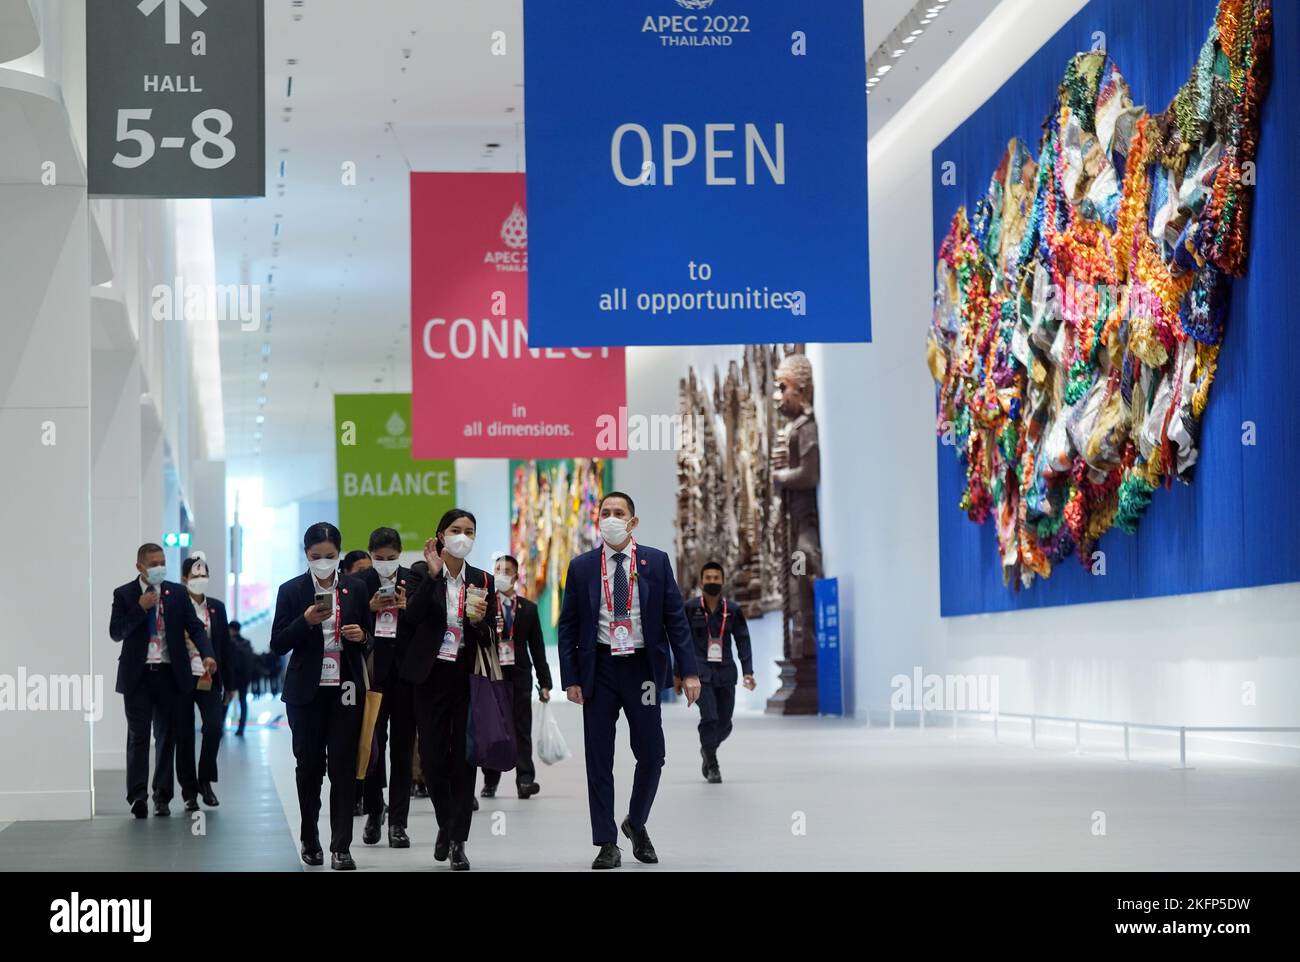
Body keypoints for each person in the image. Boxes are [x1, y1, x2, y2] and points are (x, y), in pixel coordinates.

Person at [558, 492, 700, 869]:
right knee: (599, 759)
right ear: (597, 518)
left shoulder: (656, 561)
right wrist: (571, 677)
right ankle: (606, 842)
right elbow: (569, 624)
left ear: (632, 522)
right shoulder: (582, 567)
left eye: (619, 513)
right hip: (599, 670)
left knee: (652, 753)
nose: (611, 519)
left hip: (642, 671)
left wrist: (689, 671)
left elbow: (676, 620)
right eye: (606, 513)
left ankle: (636, 823)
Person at [270, 522, 372, 870]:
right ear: (306, 555)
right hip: (306, 692)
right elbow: (278, 643)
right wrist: (306, 621)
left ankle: (341, 846)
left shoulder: (356, 589)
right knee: (309, 767)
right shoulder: (291, 590)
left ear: (339, 554)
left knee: (343, 768)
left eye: (330, 556)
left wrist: (361, 636)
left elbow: (372, 638)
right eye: (317, 556)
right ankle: (310, 836)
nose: (324, 562)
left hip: (345, 688)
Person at [401, 509, 496, 871]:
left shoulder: (482, 579)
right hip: (430, 677)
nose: (462, 536)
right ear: (440, 535)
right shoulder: (421, 572)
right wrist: (434, 576)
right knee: (433, 758)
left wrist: (479, 621)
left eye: (469, 531)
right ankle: (446, 822)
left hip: (466, 678)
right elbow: (411, 618)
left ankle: (458, 840)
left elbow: (489, 635)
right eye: (456, 530)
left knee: (464, 760)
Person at [109, 543, 216, 817]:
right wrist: (140, 608)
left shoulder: (177, 593)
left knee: (166, 737)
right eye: (153, 563)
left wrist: (207, 654)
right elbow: (116, 632)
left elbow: (195, 627)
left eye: (162, 562)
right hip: (138, 677)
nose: (159, 567)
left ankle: (162, 796)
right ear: (140, 567)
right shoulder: (125, 594)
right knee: (139, 736)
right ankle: (138, 796)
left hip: (170, 675)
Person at [357, 526, 418, 847]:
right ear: (369, 554)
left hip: (406, 677)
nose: (385, 563)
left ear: (400, 554)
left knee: (404, 750)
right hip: (372, 676)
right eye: (378, 558)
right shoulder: (360, 584)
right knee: (372, 749)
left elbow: (427, 625)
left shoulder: (413, 580)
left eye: (391, 558)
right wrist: (368, 610)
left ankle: (398, 822)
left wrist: (408, 609)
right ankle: (373, 811)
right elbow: (349, 622)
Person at [481, 554, 552, 800]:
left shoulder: (528, 609)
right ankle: (490, 780)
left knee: (522, 729)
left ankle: (525, 779)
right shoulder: (486, 606)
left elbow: (538, 647)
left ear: (515, 576)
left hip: (520, 676)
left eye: (506, 570)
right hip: (493, 675)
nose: (501, 574)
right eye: (497, 569)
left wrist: (545, 683)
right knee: (494, 730)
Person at [684, 561, 755, 783]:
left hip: (725, 672)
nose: (712, 581)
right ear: (701, 581)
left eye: (716, 578)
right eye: (708, 578)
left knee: (725, 722)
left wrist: (748, 671)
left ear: (722, 581)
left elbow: (743, 640)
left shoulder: (732, 610)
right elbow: (681, 642)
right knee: (710, 717)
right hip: (699, 674)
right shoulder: (690, 608)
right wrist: (679, 674)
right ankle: (713, 765)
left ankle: (707, 749)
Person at [176, 555, 231, 809]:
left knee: (213, 727)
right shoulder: (177, 605)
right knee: (184, 734)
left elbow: (225, 646)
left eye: (203, 575)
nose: (200, 580)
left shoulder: (217, 608)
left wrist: (230, 684)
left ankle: (205, 779)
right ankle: (189, 792)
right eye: (195, 575)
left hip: (210, 677)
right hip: (181, 679)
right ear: (184, 579)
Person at [226, 621, 255, 736]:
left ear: (231, 629)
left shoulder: (230, 642)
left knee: (226, 699)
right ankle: (241, 728)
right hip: (244, 678)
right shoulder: (246, 643)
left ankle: (220, 727)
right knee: (243, 702)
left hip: (232, 677)